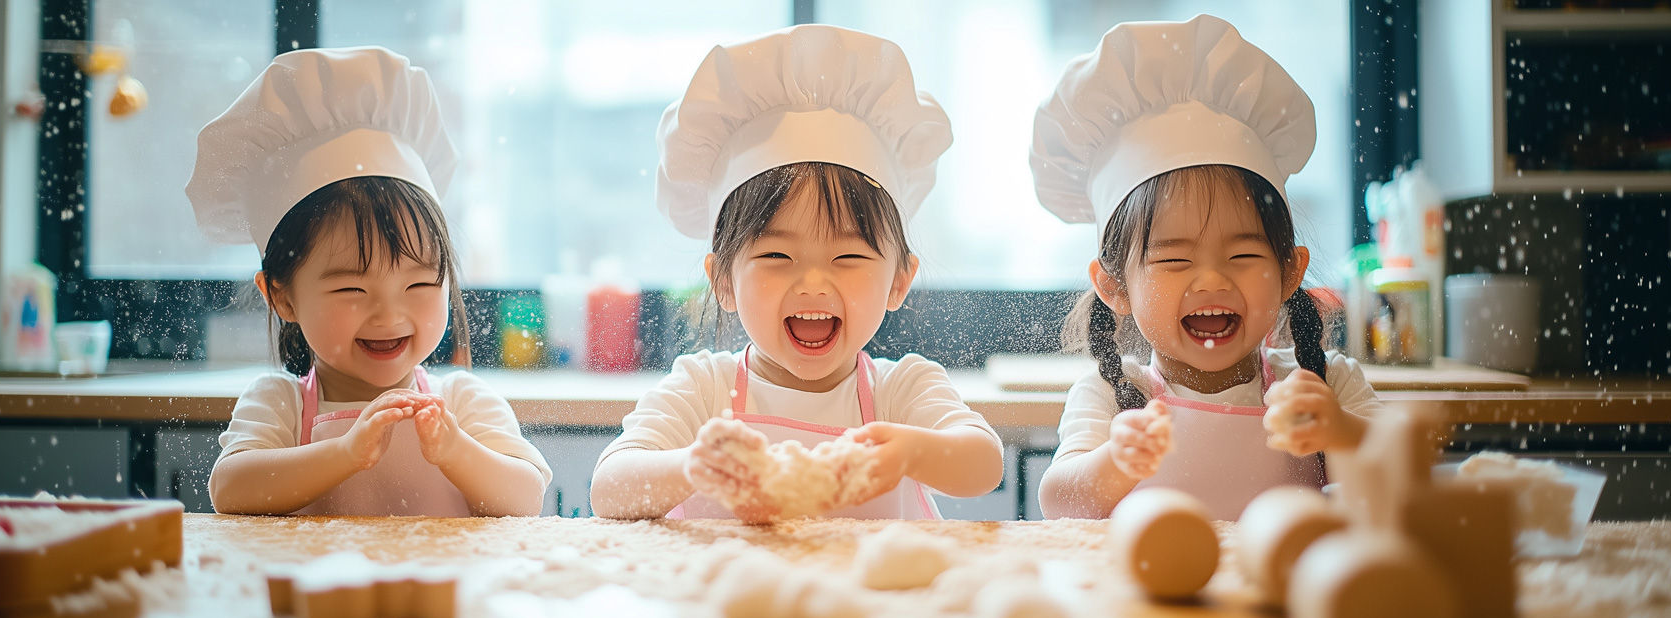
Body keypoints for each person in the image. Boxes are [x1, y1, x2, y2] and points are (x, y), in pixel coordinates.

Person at [590, 25, 1003, 521]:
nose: (812, 283)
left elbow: (984, 464)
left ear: (899, 280)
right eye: (776, 257)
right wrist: (693, 466)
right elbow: (609, 489)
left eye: (848, 258)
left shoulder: (899, 392)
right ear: (723, 281)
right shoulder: (704, 390)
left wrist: (910, 452)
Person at [1031, 16, 1382, 520]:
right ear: (1114, 286)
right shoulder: (1113, 394)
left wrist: (1340, 432)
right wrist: (1116, 462)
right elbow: (1058, 502)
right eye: (1174, 259)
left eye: (1242, 256)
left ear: (1290, 271)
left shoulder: (1328, 383)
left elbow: (1403, 483)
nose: (1213, 280)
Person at [190, 47, 550, 517]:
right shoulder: (281, 405)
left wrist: (455, 450)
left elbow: (525, 497)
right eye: (352, 290)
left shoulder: (461, 402)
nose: (389, 315)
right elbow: (232, 489)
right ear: (281, 296)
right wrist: (345, 453)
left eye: (419, 286)